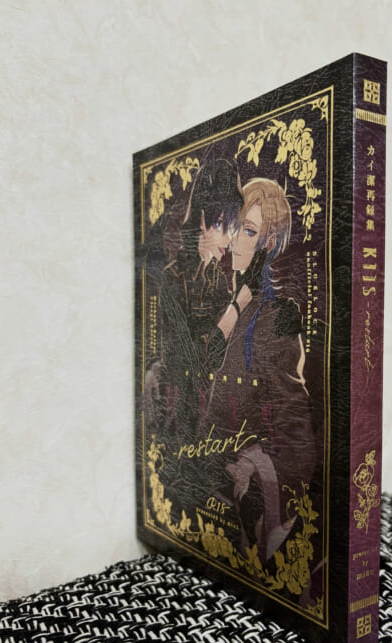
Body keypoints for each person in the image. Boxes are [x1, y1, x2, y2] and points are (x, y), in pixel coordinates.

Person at [205, 177, 317, 563]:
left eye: (250, 231)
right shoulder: (227, 303)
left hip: (245, 495)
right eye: (236, 227)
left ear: (268, 244)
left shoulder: (275, 317)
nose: (237, 240)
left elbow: (295, 430)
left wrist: (255, 467)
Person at [143, 158, 243, 453]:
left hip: (210, 410)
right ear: (202, 220)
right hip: (177, 412)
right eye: (222, 225)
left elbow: (227, 356)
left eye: (233, 227)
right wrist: (236, 309)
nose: (230, 238)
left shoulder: (219, 280)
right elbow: (198, 359)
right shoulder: (172, 278)